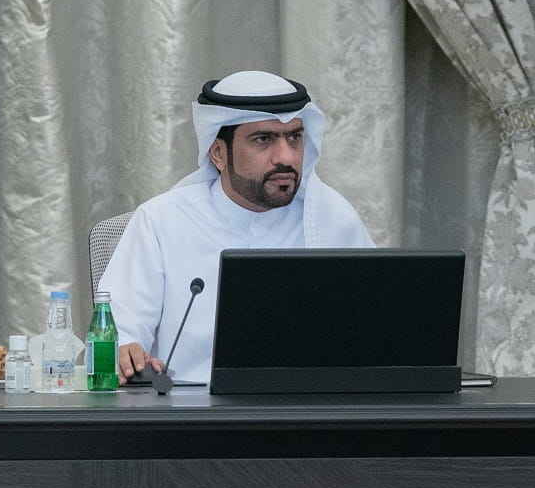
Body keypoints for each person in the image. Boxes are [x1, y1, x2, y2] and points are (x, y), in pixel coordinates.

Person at [104, 71, 375, 384]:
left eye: (294, 138)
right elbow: (117, 330)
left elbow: (376, 330)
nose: (286, 157)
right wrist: (124, 350)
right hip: (187, 408)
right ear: (219, 153)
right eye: (264, 139)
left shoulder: (333, 220)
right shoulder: (161, 222)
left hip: (309, 406)